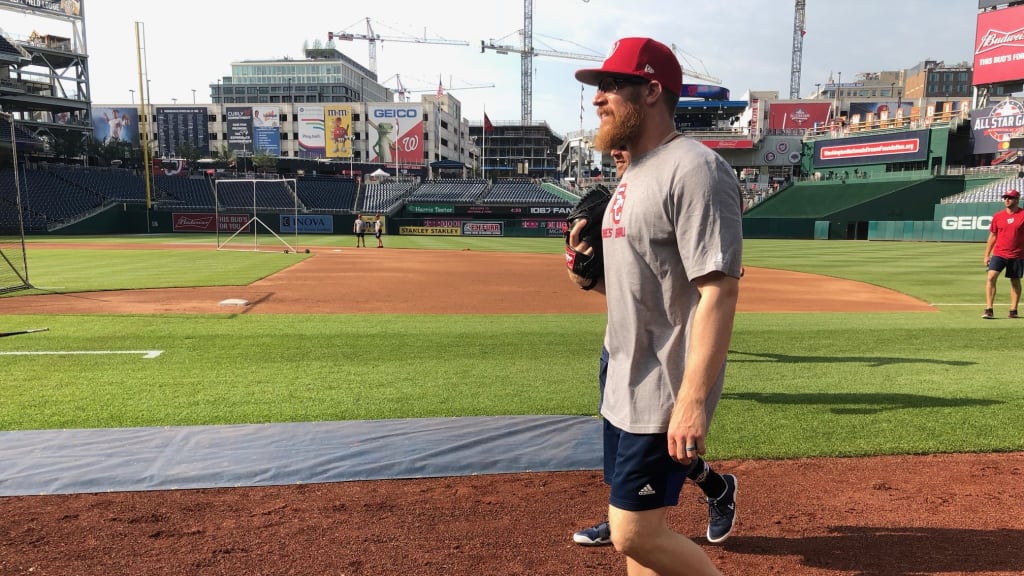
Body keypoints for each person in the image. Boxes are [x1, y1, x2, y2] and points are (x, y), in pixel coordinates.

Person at [567, 37, 743, 576]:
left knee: (632, 533)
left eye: (611, 86)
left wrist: (690, 399)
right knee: (644, 534)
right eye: (599, 88)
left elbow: (718, 289)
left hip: (662, 383)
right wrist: (588, 279)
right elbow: (640, 286)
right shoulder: (630, 177)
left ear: (650, 90)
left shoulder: (695, 170)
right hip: (622, 376)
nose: (599, 98)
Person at [983, 188, 1024, 319]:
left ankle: (1014, 310)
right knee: (991, 277)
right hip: (999, 253)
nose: (1007, 200)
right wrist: (986, 254)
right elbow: (993, 235)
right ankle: (989, 309)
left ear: (1017, 199)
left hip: (1017, 254)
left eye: (1010, 198)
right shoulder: (998, 216)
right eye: (1005, 197)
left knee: (1015, 281)